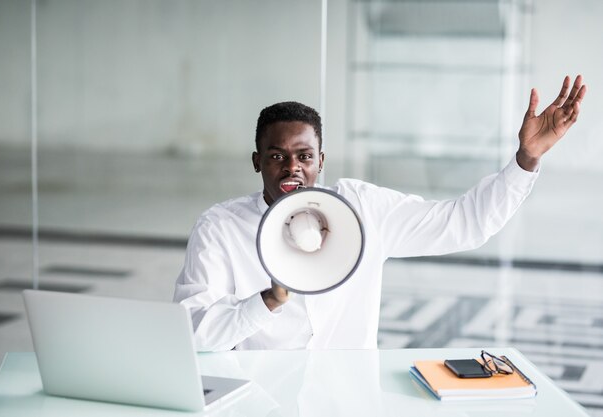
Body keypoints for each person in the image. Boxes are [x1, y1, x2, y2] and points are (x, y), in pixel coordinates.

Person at [174, 75, 586, 352]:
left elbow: (465, 224)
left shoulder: (364, 210)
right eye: (276, 156)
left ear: (321, 161)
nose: (292, 167)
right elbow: (191, 334)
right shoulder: (219, 229)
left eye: (303, 156)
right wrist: (267, 300)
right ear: (256, 162)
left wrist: (526, 159)